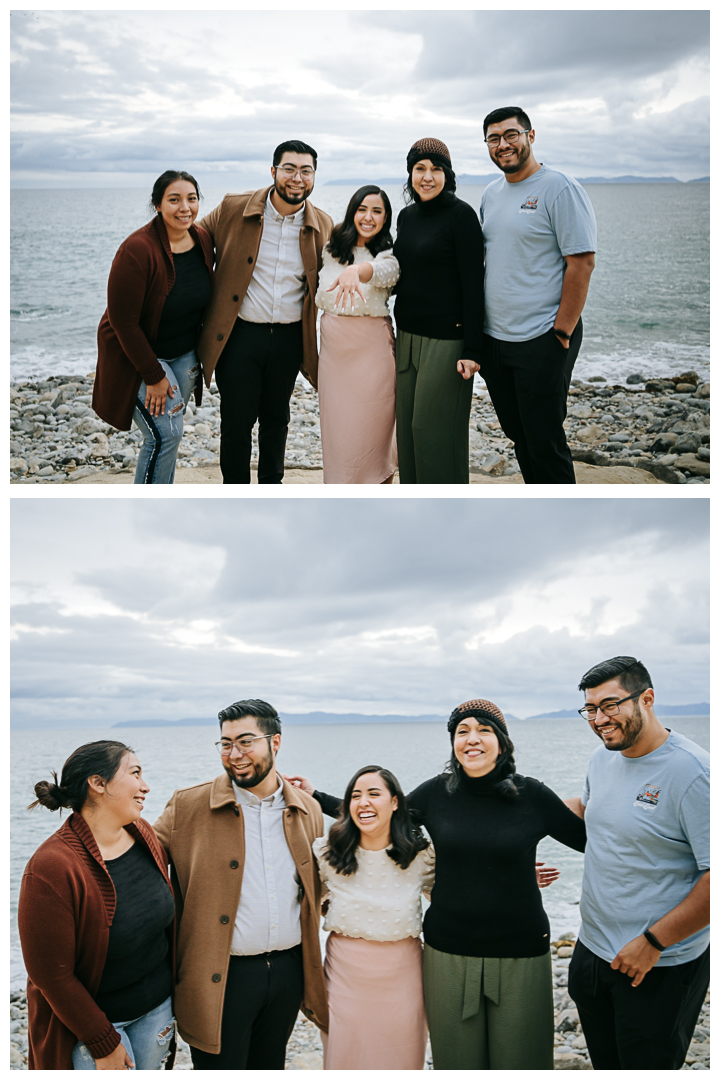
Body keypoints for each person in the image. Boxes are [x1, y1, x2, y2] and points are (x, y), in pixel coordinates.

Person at [287, 697, 583, 1069]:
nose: (472, 738)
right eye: (462, 731)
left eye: (483, 730)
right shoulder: (437, 793)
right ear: (453, 743)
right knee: (456, 1063)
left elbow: (592, 843)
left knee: (521, 1062)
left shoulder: (533, 796)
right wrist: (314, 795)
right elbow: (379, 816)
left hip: (521, 950)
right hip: (447, 952)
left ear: (503, 742)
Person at [152, 699, 327, 1069]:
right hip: (220, 978)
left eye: (246, 741)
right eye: (226, 743)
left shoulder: (307, 810)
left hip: (287, 974)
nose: (235, 754)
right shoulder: (188, 806)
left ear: (275, 742)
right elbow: (138, 860)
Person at [564, 656, 709, 1070]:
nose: (599, 719)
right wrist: (520, 816)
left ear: (646, 698)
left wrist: (654, 942)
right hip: (593, 950)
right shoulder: (603, 757)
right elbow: (594, 813)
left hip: (657, 964)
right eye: (590, 709)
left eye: (610, 705)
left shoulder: (695, 773)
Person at [18, 741, 176, 1070]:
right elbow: (50, 976)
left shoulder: (143, 833)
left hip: (157, 1010)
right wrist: (102, 1042)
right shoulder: (51, 868)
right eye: (135, 773)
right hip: (93, 1028)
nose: (145, 786)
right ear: (98, 784)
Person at [195, 140, 333, 484]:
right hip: (240, 336)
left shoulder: (324, 225)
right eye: (289, 169)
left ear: (315, 176)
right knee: (236, 421)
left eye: (306, 170)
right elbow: (193, 237)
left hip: (289, 339)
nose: (297, 178)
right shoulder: (233, 207)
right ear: (273, 172)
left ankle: (273, 486)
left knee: (277, 420)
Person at [479, 106, 597, 484]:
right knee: (519, 435)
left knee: (544, 437)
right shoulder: (491, 194)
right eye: (494, 138)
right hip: (497, 340)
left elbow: (582, 263)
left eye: (511, 134)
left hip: (543, 337)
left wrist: (561, 333)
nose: (503, 144)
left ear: (531, 136)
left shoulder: (560, 188)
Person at [94, 170, 214, 484]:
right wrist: (154, 375)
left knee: (171, 434)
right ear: (157, 204)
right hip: (138, 356)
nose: (185, 207)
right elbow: (123, 322)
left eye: (192, 198)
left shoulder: (202, 239)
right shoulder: (136, 249)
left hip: (184, 355)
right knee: (164, 436)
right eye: (174, 200)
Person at [312, 765, 434, 1068]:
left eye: (373, 794)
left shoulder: (422, 855)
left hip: (404, 979)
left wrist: (513, 872)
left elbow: (457, 894)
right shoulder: (326, 853)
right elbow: (304, 904)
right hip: (344, 977)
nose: (363, 802)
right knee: (345, 1058)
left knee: (401, 1059)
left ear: (395, 802)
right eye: (355, 795)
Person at [392, 137, 485, 484]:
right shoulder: (405, 217)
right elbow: (398, 273)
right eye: (419, 169)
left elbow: (474, 286)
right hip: (407, 338)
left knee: (432, 432)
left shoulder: (461, 216)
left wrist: (474, 349)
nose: (427, 176)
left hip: (447, 340)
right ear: (410, 174)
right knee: (408, 435)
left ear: (447, 173)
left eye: (435, 168)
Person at [315, 186, 399, 484]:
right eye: (363, 209)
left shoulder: (390, 254)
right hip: (335, 358)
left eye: (377, 211)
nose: (368, 217)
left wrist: (358, 271)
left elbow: (387, 272)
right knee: (339, 440)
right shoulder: (329, 249)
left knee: (374, 444)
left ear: (386, 218)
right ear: (352, 211)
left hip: (373, 357)